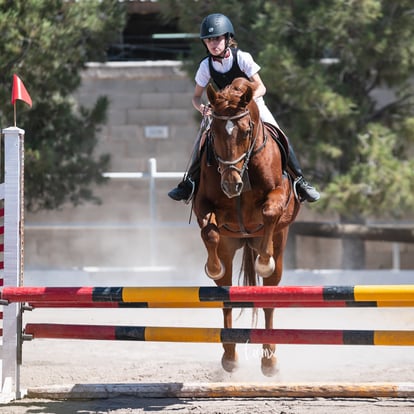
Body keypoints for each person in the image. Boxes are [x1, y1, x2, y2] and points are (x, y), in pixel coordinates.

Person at [168, 13, 320, 203]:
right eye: (208, 40)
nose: (213, 44)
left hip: (252, 107)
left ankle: (300, 181)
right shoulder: (205, 66)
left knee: (280, 135)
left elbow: (261, 87)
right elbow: (196, 97)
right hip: (222, 113)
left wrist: (246, 102)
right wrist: (202, 108)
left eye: (217, 38)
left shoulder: (242, 58)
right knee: (201, 140)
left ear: (227, 38)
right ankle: (189, 183)